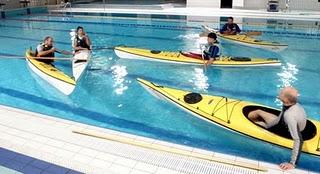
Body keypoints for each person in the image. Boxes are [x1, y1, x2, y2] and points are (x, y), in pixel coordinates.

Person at [248, 87, 306, 170]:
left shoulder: (289, 115)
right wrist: (270, 125)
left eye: (281, 92)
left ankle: (255, 123)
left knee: (258, 122)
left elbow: (299, 140)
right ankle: (264, 124)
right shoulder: (293, 103)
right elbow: (281, 117)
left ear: (285, 99)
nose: (279, 92)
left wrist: (292, 163)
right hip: (281, 123)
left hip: (285, 130)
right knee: (259, 112)